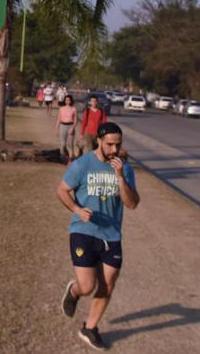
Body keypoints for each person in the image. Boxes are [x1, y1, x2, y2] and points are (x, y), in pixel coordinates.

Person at [56, 122, 139, 350]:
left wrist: (120, 177)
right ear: (99, 141)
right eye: (110, 144)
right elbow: (61, 190)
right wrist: (76, 210)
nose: (114, 149)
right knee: (87, 286)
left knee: (108, 285)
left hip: (111, 235)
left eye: (118, 144)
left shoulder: (125, 168)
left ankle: (90, 328)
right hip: (83, 232)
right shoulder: (82, 165)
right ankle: (74, 292)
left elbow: (132, 204)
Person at [57, 94, 78, 163]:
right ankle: (62, 157)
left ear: (71, 101)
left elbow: (75, 120)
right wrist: (57, 129)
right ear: (64, 101)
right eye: (66, 100)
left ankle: (71, 160)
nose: (67, 101)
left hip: (70, 126)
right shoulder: (61, 108)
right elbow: (58, 119)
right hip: (62, 126)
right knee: (63, 144)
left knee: (70, 144)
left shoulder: (74, 109)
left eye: (69, 100)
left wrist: (72, 128)